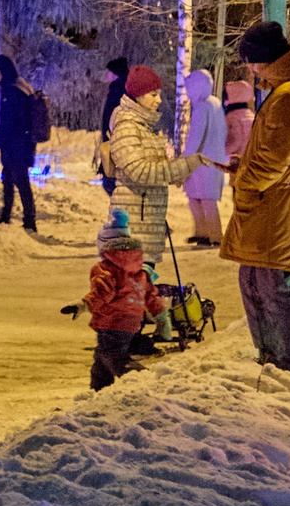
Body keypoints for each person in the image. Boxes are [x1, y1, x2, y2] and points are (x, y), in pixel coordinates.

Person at [218, 20, 290, 374]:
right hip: (277, 201)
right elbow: (275, 154)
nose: (249, 68)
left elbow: (275, 162)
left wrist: (245, 179)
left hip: (278, 204)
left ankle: (286, 363)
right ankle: (272, 358)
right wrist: (245, 166)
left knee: (271, 286)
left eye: (251, 60)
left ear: (263, 59)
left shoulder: (289, 95)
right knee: (254, 281)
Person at [97, 64, 196, 257]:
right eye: (153, 94)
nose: (159, 100)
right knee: (133, 283)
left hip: (145, 223)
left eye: (159, 94)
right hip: (134, 226)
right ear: (139, 95)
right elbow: (139, 171)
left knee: (143, 283)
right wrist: (181, 167)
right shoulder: (127, 125)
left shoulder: (145, 125)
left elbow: (152, 165)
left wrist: (168, 169)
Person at [63, 223, 166, 389]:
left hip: (112, 321)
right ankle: (98, 392)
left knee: (112, 355)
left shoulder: (105, 269)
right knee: (101, 363)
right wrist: (161, 317)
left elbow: (103, 293)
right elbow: (150, 294)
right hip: (132, 321)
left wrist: (83, 305)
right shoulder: (139, 269)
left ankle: (145, 383)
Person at [0, 54, 40, 232]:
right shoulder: (20, 87)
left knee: (20, 181)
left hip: (16, 144)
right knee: (8, 179)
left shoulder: (12, 90)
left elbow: (8, 121)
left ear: (3, 70)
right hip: (19, 143)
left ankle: (29, 220)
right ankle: (7, 215)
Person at [180, 69, 229, 247]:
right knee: (195, 196)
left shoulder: (202, 107)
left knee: (206, 199)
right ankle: (202, 232)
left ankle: (215, 236)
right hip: (212, 160)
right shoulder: (215, 103)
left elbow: (195, 137)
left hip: (202, 162)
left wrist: (184, 162)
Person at [96, 57, 131, 193]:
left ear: (115, 73)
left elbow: (112, 118)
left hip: (116, 142)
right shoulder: (121, 89)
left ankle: (125, 214)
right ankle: (125, 213)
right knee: (114, 186)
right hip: (117, 142)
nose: (107, 75)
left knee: (112, 185)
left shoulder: (118, 92)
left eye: (109, 72)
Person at [221, 77, 256, 167]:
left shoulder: (234, 117)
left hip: (237, 162)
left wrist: (219, 153)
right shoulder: (251, 115)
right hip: (250, 161)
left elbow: (235, 141)